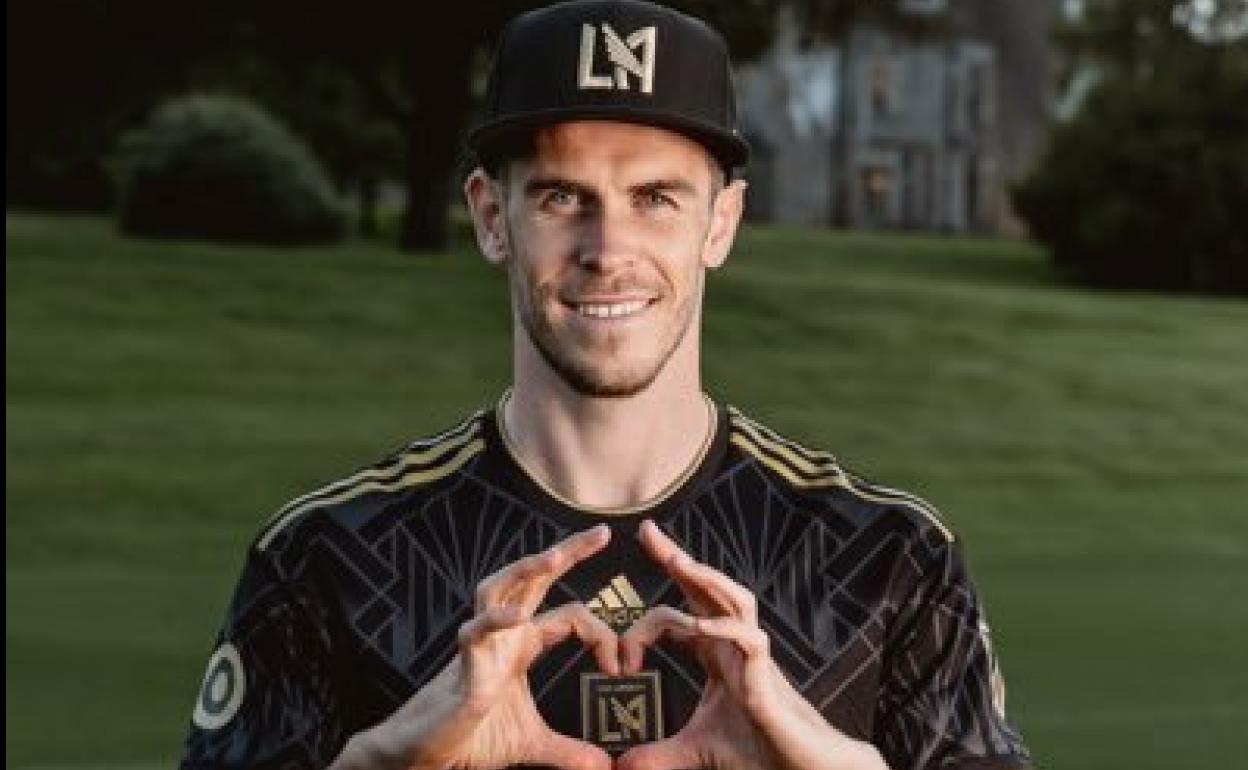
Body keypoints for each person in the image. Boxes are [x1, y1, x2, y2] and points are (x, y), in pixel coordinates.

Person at [180, 2, 1034, 769]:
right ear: (490, 216)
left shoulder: (889, 559)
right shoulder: (327, 558)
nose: (607, 247)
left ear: (721, 221)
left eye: (656, 196)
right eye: (561, 196)